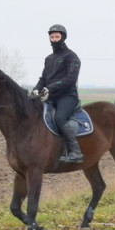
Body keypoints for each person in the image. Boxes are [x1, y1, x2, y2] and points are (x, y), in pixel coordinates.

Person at [31, 24, 83, 164]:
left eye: (57, 36)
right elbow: (43, 78)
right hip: (50, 96)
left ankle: (75, 151)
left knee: (59, 118)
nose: (54, 39)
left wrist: (51, 88)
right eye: (52, 37)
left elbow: (70, 79)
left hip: (67, 96)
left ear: (63, 37)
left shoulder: (72, 56)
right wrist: (37, 88)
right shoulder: (49, 59)